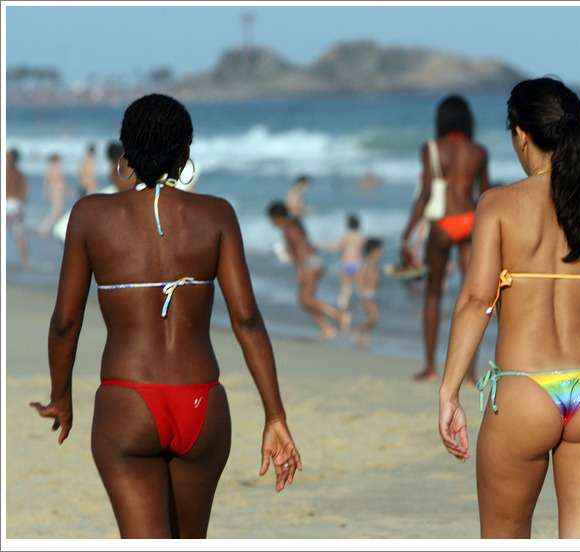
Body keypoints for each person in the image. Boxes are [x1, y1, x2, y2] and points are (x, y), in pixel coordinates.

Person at [30, 94, 302, 539]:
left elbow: (65, 322)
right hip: (202, 405)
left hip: (127, 402)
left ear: (125, 154)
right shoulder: (216, 215)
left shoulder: (90, 216)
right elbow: (248, 320)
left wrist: (61, 396)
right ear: (186, 153)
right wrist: (275, 416)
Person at [438, 77, 580, 538]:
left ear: (521, 135)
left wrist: (449, 392)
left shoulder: (499, 205)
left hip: (525, 388)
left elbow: (475, 301)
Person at [400, 94, 490, 384]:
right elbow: (485, 196)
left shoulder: (432, 149)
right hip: (470, 221)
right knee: (474, 298)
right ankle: (470, 373)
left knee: (434, 294)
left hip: (442, 224)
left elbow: (426, 195)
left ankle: (429, 368)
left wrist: (406, 234)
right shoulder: (479, 152)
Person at [267, 201, 350, 339]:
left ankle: (339, 316)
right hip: (313, 260)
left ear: (277, 217)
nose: (271, 222)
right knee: (304, 299)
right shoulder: (293, 225)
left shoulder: (288, 228)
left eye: (271, 219)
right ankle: (327, 327)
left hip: (309, 262)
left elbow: (301, 249)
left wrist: (301, 269)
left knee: (305, 298)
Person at [321, 213, 366, 313]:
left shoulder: (345, 236)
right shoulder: (361, 237)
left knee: (345, 287)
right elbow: (366, 252)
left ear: (348, 224)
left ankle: (342, 307)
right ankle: (364, 306)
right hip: (358, 264)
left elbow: (334, 249)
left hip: (346, 264)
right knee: (361, 288)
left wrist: (322, 244)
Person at [353, 238, 383, 348]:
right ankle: (358, 330)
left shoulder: (374, 263)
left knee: (372, 318)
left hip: (373, 295)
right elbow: (360, 276)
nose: (381, 253)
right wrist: (361, 291)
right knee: (374, 317)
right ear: (373, 251)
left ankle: (366, 339)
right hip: (367, 294)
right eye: (379, 250)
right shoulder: (368, 263)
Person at [6, 149, 31, 269]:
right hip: (18, 204)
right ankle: (26, 262)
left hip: (7, 204)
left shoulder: (6, 172)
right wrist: (20, 205)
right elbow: (25, 192)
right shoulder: (20, 173)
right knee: (19, 235)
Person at [38, 153, 68, 238]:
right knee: (56, 212)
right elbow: (61, 181)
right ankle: (45, 228)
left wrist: (46, 193)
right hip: (57, 192)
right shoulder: (57, 169)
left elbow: (46, 183)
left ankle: (52, 229)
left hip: (53, 192)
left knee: (57, 212)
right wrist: (66, 190)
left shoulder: (50, 169)